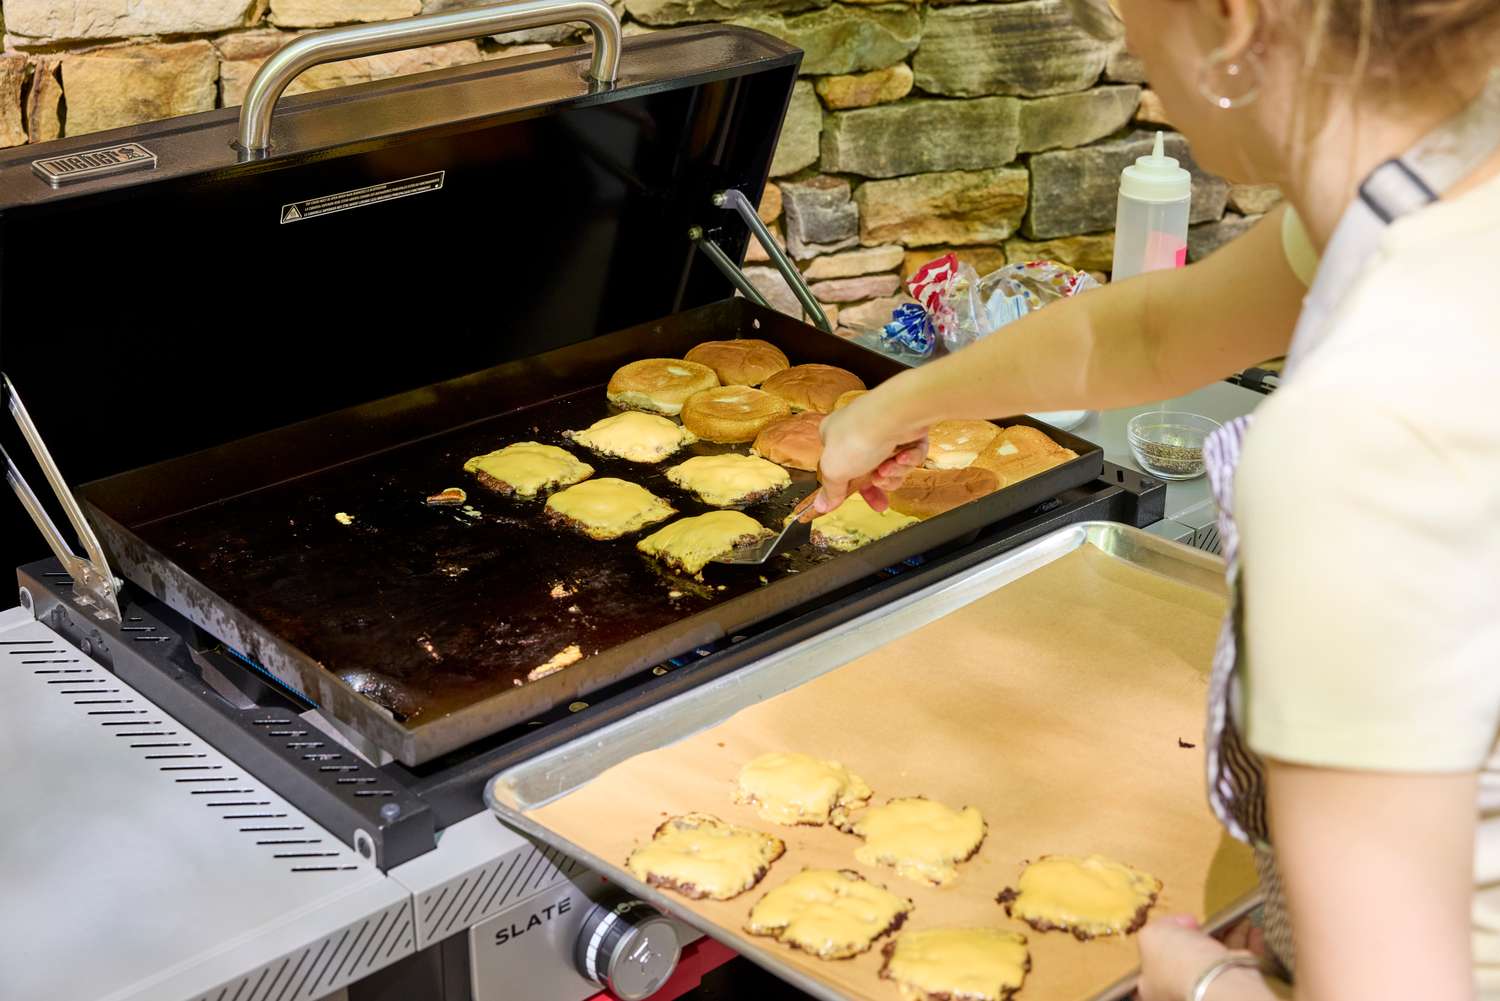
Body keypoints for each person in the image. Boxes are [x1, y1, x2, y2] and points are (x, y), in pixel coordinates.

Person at [812, 0, 1500, 995]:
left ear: (1229, 21)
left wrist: (1202, 985)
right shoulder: (1442, 180)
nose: (1126, 40)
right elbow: (1146, 336)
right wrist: (901, 403)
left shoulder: (1361, 435)